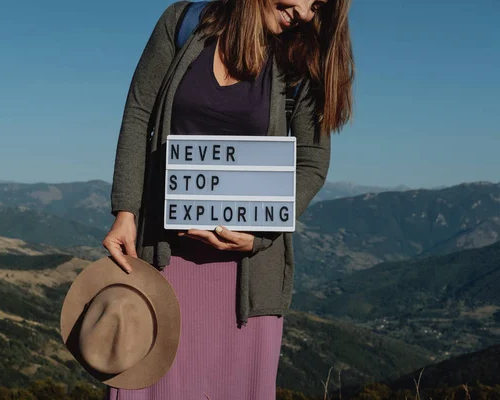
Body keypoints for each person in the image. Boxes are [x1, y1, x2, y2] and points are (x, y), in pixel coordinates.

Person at [102, 0, 354, 398]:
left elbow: (312, 162)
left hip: (246, 281)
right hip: (162, 263)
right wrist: (125, 211)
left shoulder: (302, 60)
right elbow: (139, 114)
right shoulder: (184, 23)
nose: (304, 12)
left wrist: (260, 235)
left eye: (318, 6)